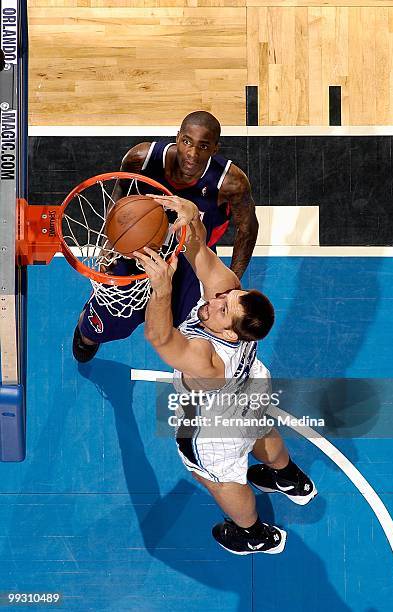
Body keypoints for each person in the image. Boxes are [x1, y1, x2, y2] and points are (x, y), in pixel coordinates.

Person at [136, 195, 317, 555]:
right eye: (226, 298)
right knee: (261, 426)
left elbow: (159, 336)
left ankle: (252, 533)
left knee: (220, 481)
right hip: (251, 387)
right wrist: (188, 219)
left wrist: (162, 288)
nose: (215, 300)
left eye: (222, 309)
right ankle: (288, 477)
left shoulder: (206, 358)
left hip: (216, 427)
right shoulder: (228, 295)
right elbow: (198, 251)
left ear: (231, 333)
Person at [73, 110, 259, 362]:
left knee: (182, 326)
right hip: (138, 248)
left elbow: (248, 229)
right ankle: (88, 334)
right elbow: (118, 196)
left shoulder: (230, 183)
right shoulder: (141, 159)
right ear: (177, 137)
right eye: (187, 142)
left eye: (203, 146)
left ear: (215, 148)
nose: (192, 154)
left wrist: (232, 282)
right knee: (104, 321)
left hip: (189, 258)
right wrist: (109, 245)